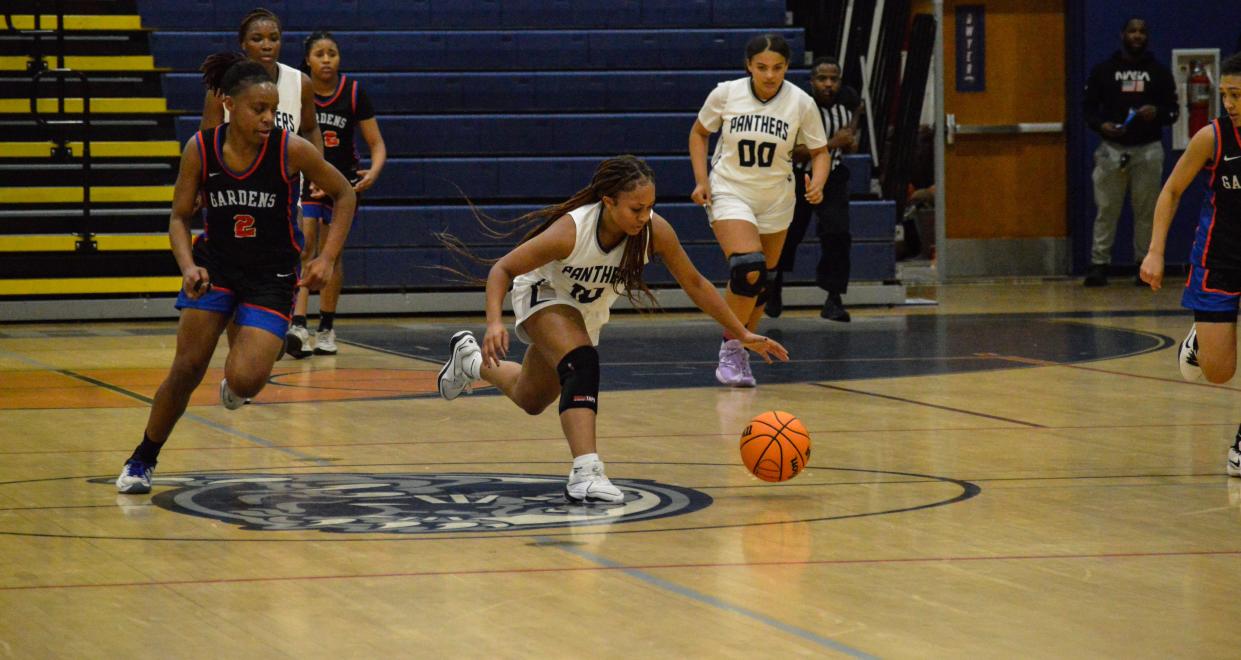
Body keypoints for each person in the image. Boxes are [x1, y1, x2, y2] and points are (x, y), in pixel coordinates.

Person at [435, 156, 789, 503]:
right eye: (636, 208)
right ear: (608, 202)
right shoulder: (572, 230)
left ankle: (470, 362)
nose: (644, 216)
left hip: (585, 310)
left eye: (650, 206)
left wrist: (740, 333)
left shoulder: (653, 231)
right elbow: (502, 269)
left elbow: (695, 283)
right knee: (582, 361)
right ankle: (585, 473)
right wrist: (495, 322)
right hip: (542, 292)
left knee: (531, 398)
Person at [116, 59, 356, 494]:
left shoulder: (291, 149)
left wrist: (326, 257)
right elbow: (177, 217)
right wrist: (189, 267)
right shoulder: (200, 148)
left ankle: (241, 355)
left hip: (272, 274)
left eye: (271, 108)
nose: (268, 117)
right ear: (228, 105)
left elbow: (345, 193)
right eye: (257, 109)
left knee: (246, 380)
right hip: (217, 267)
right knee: (187, 368)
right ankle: (142, 458)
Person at [688, 34, 828, 386]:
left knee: (762, 283)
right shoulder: (726, 93)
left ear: (787, 68)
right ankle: (731, 349)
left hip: (777, 198)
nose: (769, 75)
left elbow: (820, 151)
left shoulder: (801, 102)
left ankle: (740, 351)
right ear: (749, 66)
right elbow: (699, 133)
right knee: (747, 268)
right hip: (731, 190)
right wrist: (701, 180)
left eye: (778, 68)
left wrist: (819, 182)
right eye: (762, 67)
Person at [198, 7, 326, 358]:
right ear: (243, 44)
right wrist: (199, 188)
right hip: (234, 191)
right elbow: (206, 140)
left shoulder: (300, 82)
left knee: (290, 255)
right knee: (236, 273)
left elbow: (312, 127)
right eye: (258, 38)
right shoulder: (223, 89)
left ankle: (288, 325)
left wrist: (319, 169)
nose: (267, 44)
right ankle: (241, 353)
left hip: (282, 189)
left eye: (274, 38)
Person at [1139, 52, 1241, 477]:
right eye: (1225, 95)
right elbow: (1171, 192)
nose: (1230, 103)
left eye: (1237, 95)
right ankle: (1200, 343)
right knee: (1220, 373)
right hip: (1217, 260)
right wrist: (1156, 251)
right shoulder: (1212, 137)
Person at [293, 30, 387, 356]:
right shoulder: (299, 90)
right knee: (306, 245)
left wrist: (373, 172)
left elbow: (376, 144)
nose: (327, 60)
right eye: (320, 54)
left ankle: (326, 327)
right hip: (308, 179)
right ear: (307, 59)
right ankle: (298, 324)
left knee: (331, 253)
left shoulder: (354, 92)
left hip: (342, 184)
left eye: (332, 53)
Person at [1083, 17, 1178, 287]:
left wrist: (1157, 112)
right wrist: (1102, 125)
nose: (1137, 36)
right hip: (1111, 150)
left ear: (1147, 37)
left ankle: (1144, 265)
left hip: (1147, 150)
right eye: (1132, 31)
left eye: (1142, 32)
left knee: (1147, 210)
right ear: (1122, 34)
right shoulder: (1104, 71)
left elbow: (1172, 111)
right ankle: (1099, 264)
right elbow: (1088, 109)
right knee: (1106, 208)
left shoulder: (1159, 73)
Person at [766, 56, 860, 321]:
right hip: (798, 177)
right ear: (811, 82)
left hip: (833, 177)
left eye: (834, 79)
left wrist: (850, 140)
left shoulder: (848, 102)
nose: (829, 84)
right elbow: (795, 154)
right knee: (788, 234)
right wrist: (833, 143)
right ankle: (774, 285)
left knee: (838, 233)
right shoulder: (796, 108)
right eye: (822, 79)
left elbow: (852, 128)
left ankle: (833, 298)